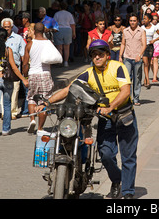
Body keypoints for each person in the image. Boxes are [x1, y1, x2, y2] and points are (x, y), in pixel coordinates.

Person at [36, 39, 138, 199]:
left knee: (128, 157)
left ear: (107, 55)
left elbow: (125, 91)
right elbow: (70, 88)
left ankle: (128, 192)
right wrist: (48, 102)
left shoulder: (118, 67)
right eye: (94, 55)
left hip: (124, 116)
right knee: (105, 154)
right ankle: (117, 179)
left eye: (100, 54)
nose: (97, 58)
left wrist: (110, 107)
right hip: (105, 119)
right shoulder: (89, 73)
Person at [22, 22, 56, 134]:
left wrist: (25, 75)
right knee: (44, 100)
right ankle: (40, 128)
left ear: (34, 31)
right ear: (43, 31)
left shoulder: (30, 44)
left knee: (31, 98)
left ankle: (32, 120)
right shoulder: (49, 43)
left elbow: (25, 63)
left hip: (33, 74)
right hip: (45, 73)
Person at [0, 28, 28, 135]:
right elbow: (14, 67)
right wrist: (23, 79)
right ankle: (6, 129)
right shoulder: (8, 50)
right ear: (7, 37)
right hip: (7, 80)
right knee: (7, 105)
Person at [1, 18, 26, 120]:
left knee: (15, 91)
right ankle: (4, 113)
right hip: (2, 71)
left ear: (12, 27)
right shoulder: (0, 38)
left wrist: (24, 70)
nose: (7, 29)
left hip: (15, 70)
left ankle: (13, 112)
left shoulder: (18, 38)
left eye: (8, 27)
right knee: (3, 93)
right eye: (5, 27)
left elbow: (23, 55)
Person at [119, 13, 146, 106]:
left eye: (134, 21)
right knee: (127, 79)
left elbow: (144, 44)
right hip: (127, 57)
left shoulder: (142, 31)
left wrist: (140, 55)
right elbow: (123, 44)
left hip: (137, 58)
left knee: (137, 79)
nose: (132, 22)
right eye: (131, 21)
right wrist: (120, 56)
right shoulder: (125, 31)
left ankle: (136, 98)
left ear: (137, 21)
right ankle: (128, 98)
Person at [53, 2, 76, 67]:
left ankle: (60, 61)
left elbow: (54, 24)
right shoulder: (69, 14)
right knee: (67, 47)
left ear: (59, 7)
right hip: (68, 30)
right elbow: (72, 24)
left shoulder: (57, 14)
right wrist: (74, 33)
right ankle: (66, 62)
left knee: (59, 47)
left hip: (59, 30)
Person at [141, 13, 159, 88]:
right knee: (145, 63)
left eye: (145, 19)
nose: (144, 20)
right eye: (143, 18)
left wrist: (154, 40)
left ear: (149, 20)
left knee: (149, 63)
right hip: (143, 46)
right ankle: (147, 81)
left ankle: (146, 78)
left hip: (150, 46)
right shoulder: (142, 27)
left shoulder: (154, 27)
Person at [151, 13, 159, 82]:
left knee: (155, 59)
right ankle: (154, 74)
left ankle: (154, 77)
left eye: (156, 19)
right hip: (150, 44)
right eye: (153, 19)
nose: (155, 21)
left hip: (157, 43)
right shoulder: (149, 26)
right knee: (151, 62)